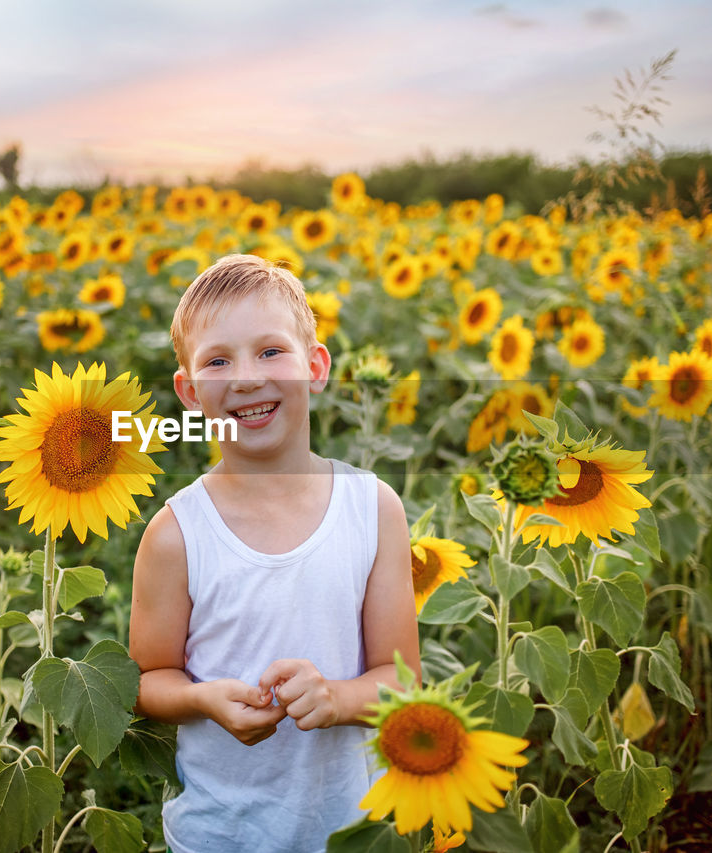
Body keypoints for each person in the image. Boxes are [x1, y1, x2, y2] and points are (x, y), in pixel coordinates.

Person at [129, 254, 420, 853]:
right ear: (189, 391)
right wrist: (200, 698)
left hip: (351, 828)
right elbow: (148, 679)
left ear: (315, 368)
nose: (246, 378)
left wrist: (336, 698)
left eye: (270, 352)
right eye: (217, 360)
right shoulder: (176, 534)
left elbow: (403, 678)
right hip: (220, 834)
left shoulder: (372, 509)